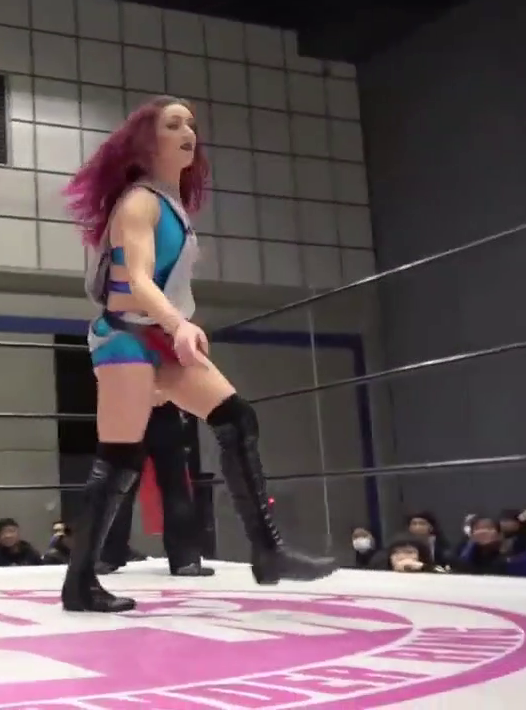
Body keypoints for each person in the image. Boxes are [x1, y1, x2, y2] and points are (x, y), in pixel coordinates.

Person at [61, 96, 336, 613]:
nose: (188, 131)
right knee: (119, 459)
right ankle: (80, 583)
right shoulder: (138, 202)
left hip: (158, 336)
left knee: (236, 418)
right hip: (126, 337)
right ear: (147, 141)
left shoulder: (170, 204)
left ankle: (268, 551)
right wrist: (178, 324)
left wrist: (175, 327)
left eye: (191, 123)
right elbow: (137, 280)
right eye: (173, 124)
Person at [99, 399, 213, 578]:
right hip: (159, 410)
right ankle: (185, 561)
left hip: (131, 410)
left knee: (123, 487)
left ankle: (108, 557)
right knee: (175, 488)